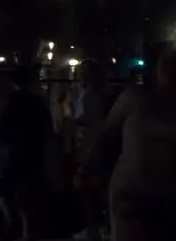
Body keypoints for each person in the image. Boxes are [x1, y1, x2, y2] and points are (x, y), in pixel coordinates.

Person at [78, 45, 176, 241]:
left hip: (170, 196)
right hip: (130, 192)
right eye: (166, 64)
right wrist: (85, 169)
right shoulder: (134, 98)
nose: (172, 70)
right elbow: (106, 135)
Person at [0, 65, 53, 240]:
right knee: (29, 194)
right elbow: (48, 128)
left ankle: (12, 223)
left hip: (10, 151)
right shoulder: (37, 102)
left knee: (7, 190)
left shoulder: (7, 100)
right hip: (32, 150)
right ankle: (28, 230)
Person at [71, 60, 112, 241]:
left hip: (90, 145)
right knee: (92, 187)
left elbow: (94, 125)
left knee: (91, 185)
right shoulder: (87, 94)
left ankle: (98, 227)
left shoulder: (91, 97)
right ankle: (99, 226)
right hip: (86, 144)